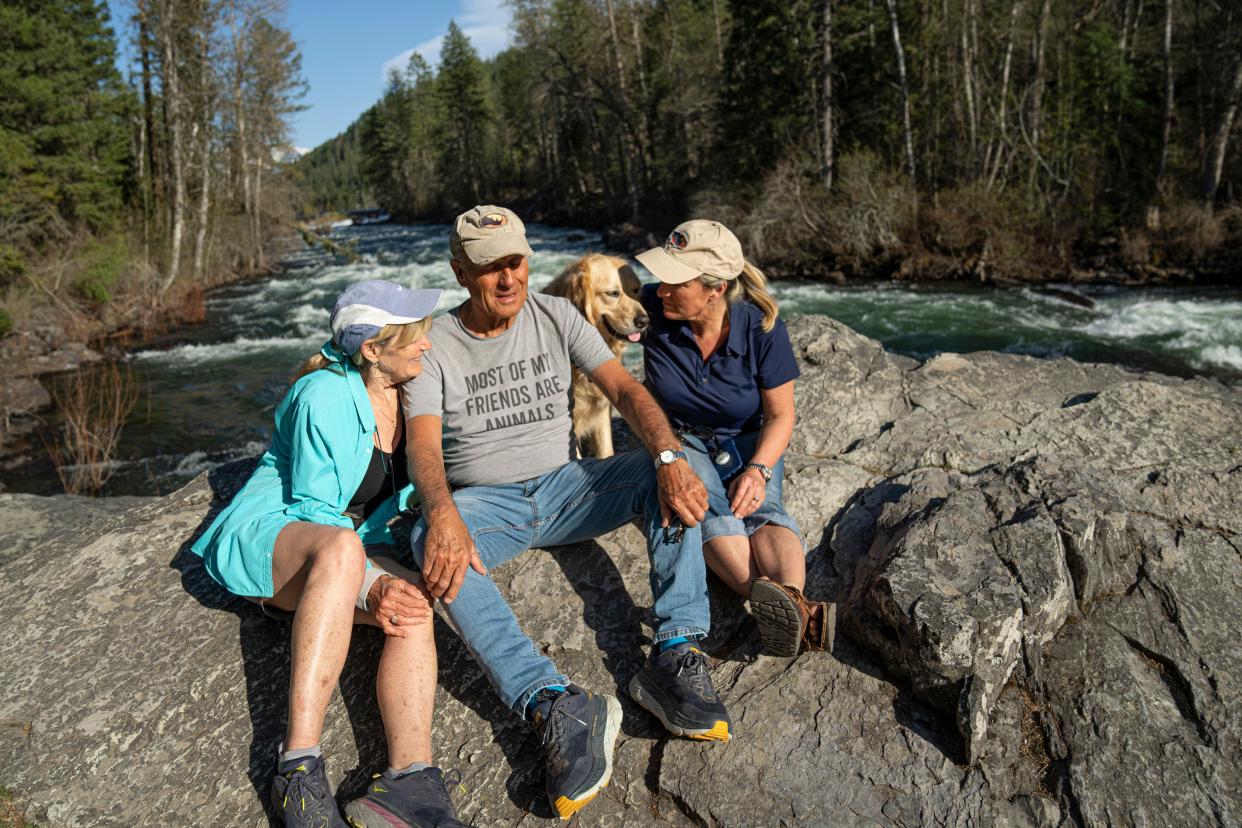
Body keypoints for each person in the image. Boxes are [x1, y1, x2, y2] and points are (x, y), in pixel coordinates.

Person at [402, 205, 731, 820]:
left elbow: (627, 392)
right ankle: (554, 702)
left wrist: (665, 453)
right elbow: (422, 442)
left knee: (674, 469)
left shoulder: (557, 315)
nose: (508, 279)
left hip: (568, 489)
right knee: (428, 540)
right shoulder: (435, 341)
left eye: (517, 262)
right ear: (459, 272)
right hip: (487, 506)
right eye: (489, 267)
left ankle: (674, 655)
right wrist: (442, 511)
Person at [191, 280, 471, 828]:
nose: (427, 346)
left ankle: (411, 781)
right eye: (414, 337)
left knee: (412, 605)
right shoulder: (320, 395)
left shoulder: (409, 390)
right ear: (372, 350)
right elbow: (317, 512)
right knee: (345, 551)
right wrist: (371, 584)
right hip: (285, 535)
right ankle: (297, 766)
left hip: (354, 543)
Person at [635, 220, 836, 658]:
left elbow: (781, 415)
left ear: (715, 289)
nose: (662, 289)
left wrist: (760, 470)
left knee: (762, 506)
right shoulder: (650, 304)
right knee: (703, 508)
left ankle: (788, 602)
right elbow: (592, 293)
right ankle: (792, 613)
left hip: (748, 437)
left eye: (675, 282)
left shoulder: (761, 328)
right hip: (681, 436)